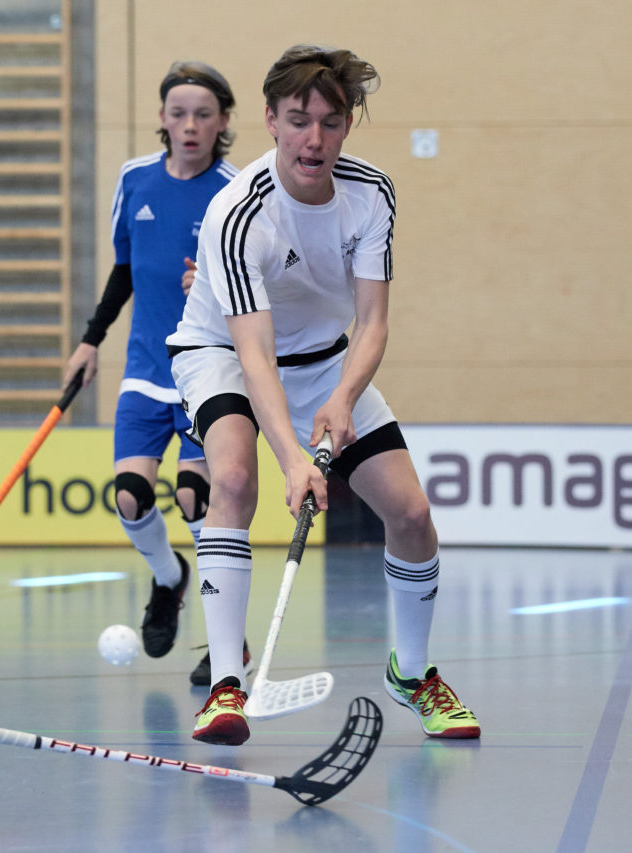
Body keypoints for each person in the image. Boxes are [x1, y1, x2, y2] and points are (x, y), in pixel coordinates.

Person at [167, 45, 480, 745]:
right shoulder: (237, 213)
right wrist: (293, 459)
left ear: (347, 126)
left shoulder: (371, 193)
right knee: (233, 478)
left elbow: (372, 322)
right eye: (298, 120)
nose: (314, 139)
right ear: (270, 120)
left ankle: (412, 672)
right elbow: (254, 354)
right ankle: (225, 686)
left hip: (323, 360)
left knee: (412, 512)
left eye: (331, 123)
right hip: (222, 354)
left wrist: (341, 399)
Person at [64, 61, 249, 681]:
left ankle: (227, 642)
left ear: (223, 122)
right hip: (145, 367)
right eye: (178, 113)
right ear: (162, 119)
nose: (189, 125)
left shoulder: (234, 190)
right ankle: (169, 579)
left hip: (207, 369)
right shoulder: (134, 179)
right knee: (129, 496)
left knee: (197, 498)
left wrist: (213, 288)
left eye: (203, 115)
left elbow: (257, 288)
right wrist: (91, 341)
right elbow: (125, 269)